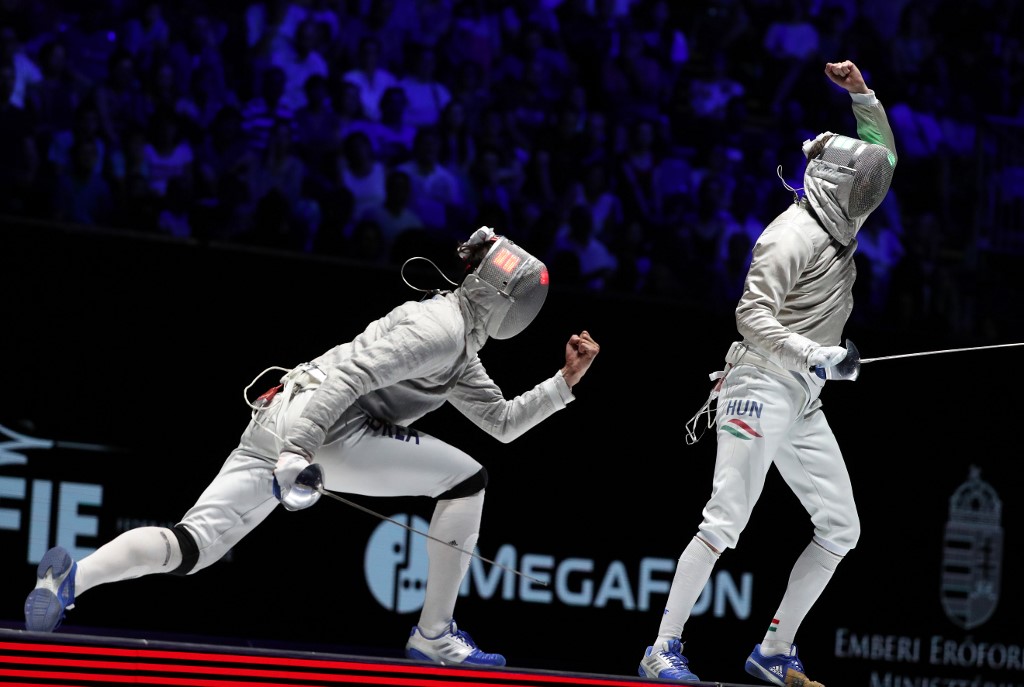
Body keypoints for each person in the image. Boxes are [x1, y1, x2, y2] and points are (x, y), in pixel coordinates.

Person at [24, 226, 601, 668]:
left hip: (278, 415)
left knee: (193, 546)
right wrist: (299, 453)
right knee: (466, 479)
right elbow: (348, 377)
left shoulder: (458, 349)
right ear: (500, 298)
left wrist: (563, 382)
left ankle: (74, 577)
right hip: (322, 429)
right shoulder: (441, 333)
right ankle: (433, 635)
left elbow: (501, 420)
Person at [637, 59, 896, 685]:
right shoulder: (790, 236)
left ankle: (774, 650)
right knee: (725, 518)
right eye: (859, 184)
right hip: (758, 383)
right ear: (834, 182)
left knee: (842, 526)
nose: (869, 192)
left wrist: (862, 96)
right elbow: (750, 317)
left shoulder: (843, 220)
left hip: (803, 398)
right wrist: (816, 355)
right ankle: (661, 648)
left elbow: (882, 153)